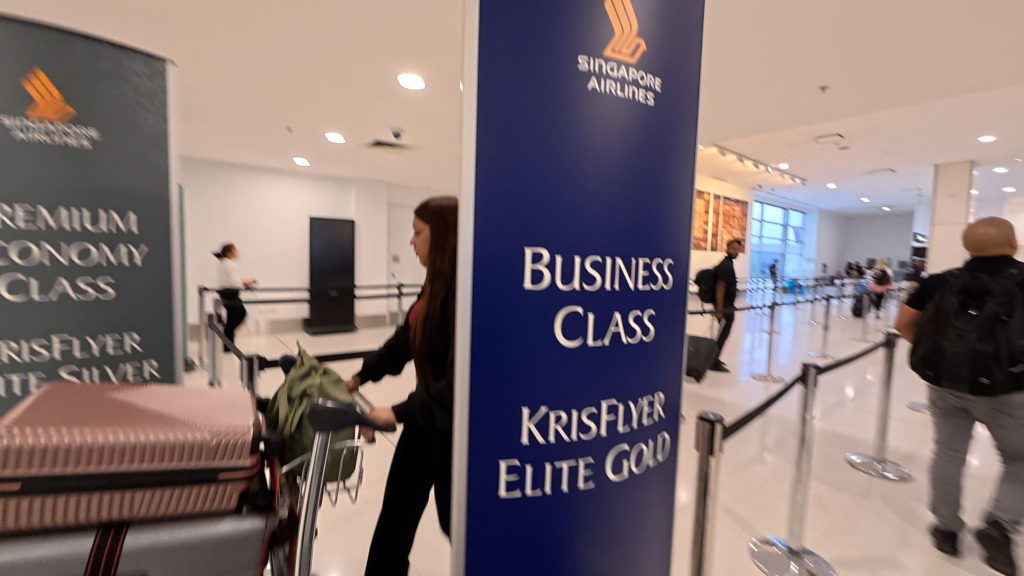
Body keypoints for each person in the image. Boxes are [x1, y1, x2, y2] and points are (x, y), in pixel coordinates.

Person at [896, 217, 1024, 576]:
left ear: (968, 247)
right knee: (1019, 460)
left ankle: (947, 529)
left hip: (945, 386)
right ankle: (1001, 523)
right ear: (1013, 243)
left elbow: (904, 325)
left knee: (949, 453)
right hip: (1008, 390)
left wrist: (944, 359)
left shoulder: (938, 282)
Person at [345, 196, 458, 576]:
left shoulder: (465, 295)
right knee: (394, 522)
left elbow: (459, 386)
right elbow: (401, 343)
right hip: (425, 421)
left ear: (441, 237)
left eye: (418, 232)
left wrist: (396, 411)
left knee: (454, 522)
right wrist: (360, 377)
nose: (411, 241)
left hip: (453, 432)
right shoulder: (434, 287)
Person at [213, 243, 255, 349]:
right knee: (241, 314)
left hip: (224, 293)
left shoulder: (222, 263)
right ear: (229, 252)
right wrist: (247, 282)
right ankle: (227, 338)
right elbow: (234, 282)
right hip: (230, 293)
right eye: (236, 250)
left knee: (232, 319)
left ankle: (228, 344)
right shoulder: (230, 264)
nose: (238, 252)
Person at [711, 239, 742, 373]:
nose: (736, 252)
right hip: (725, 307)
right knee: (723, 334)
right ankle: (713, 361)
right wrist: (719, 308)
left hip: (728, 305)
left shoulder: (728, 264)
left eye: (738, 249)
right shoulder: (726, 266)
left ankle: (714, 358)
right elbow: (720, 287)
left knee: (723, 333)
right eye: (733, 249)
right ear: (727, 249)